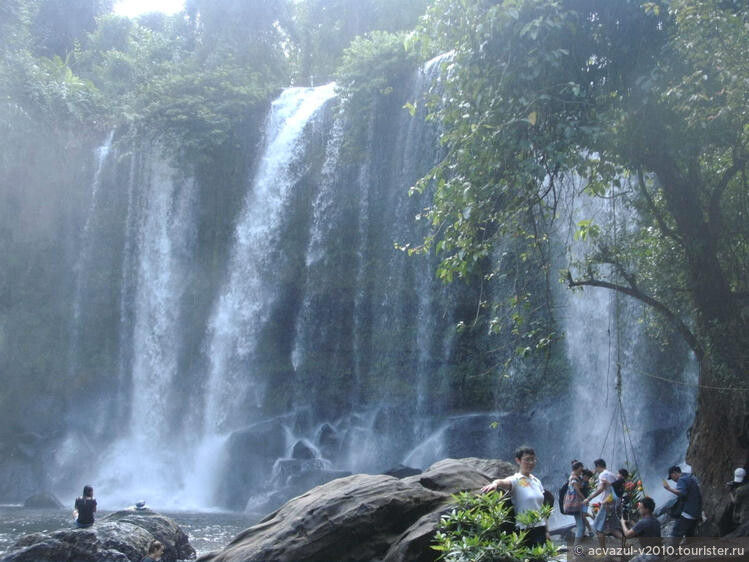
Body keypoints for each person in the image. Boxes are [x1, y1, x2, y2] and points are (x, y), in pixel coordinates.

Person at [480, 445, 550, 547]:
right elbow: (502, 481)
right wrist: (495, 484)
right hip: (524, 529)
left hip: (541, 528)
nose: (531, 463)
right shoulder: (515, 480)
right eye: (527, 460)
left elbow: (542, 509)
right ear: (518, 461)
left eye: (533, 459)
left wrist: (547, 531)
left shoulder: (537, 481)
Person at [583, 458, 621, 547]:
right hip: (614, 504)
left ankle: (603, 552)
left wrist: (588, 498)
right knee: (612, 528)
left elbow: (601, 489)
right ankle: (626, 543)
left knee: (598, 528)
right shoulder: (612, 474)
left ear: (598, 466)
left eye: (595, 468)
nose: (595, 470)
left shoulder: (602, 475)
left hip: (606, 504)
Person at [663, 465, 702, 539]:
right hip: (696, 512)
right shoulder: (689, 477)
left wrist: (668, 488)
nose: (672, 480)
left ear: (674, 473)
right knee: (689, 535)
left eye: (671, 477)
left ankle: (671, 549)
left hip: (688, 512)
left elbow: (681, 493)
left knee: (676, 532)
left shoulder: (682, 480)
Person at [620, 496, 661, 562]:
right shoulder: (655, 520)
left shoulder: (643, 522)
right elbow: (641, 529)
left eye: (641, 507)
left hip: (650, 555)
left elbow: (627, 534)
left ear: (647, 509)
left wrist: (622, 523)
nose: (638, 508)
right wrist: (630, 521)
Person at [566, 460, 587, 545]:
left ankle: (578, 546)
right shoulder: (574, 478)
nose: (581, 472)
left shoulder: (575, 477)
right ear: (577, 469)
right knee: (580, 527)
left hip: (578, 503)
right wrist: (585, 499)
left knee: (582, 525)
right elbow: (577, 490)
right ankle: (576, 548)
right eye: (580, 470)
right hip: (576, 504)